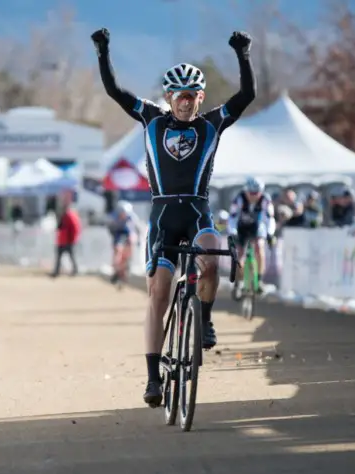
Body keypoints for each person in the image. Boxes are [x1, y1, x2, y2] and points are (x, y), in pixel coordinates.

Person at [92, 26, 256, 407]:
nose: (185, 104)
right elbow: (115, 91)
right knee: (158, 295)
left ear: (201, 97)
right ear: (169, 98)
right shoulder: (151, 119)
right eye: (179, 97)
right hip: (164, 215)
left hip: (198, 212)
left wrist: (242, 55)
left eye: (192, 97)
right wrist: (103, 51)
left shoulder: (212, 123)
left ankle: (207, 318)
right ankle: (153, 379)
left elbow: (247, 94)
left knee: (212, 257)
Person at [227, 177, 275, 296]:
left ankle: (259, 280)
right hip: (241, 228)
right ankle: (238, 282)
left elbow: (269, 219)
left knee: (259, 248)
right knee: (240, 255)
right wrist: (232, 232)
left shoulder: (265, 199)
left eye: (256, 193)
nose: (253, 196)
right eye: (251, 193)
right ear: (246, 191)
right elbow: (232, 217)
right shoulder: (239, 198)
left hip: (257, 227)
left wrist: (270, 233)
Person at [108, 201, 142, 285]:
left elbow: (137, 230)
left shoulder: (132, 218)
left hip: (128, 237)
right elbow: (111, 230)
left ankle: (123, 271)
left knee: (126, 255)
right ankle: (116, 270)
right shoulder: (114, 219)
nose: (123, 215)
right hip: (118, 236)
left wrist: (138, 240)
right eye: (121, 213)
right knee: (117, 253)